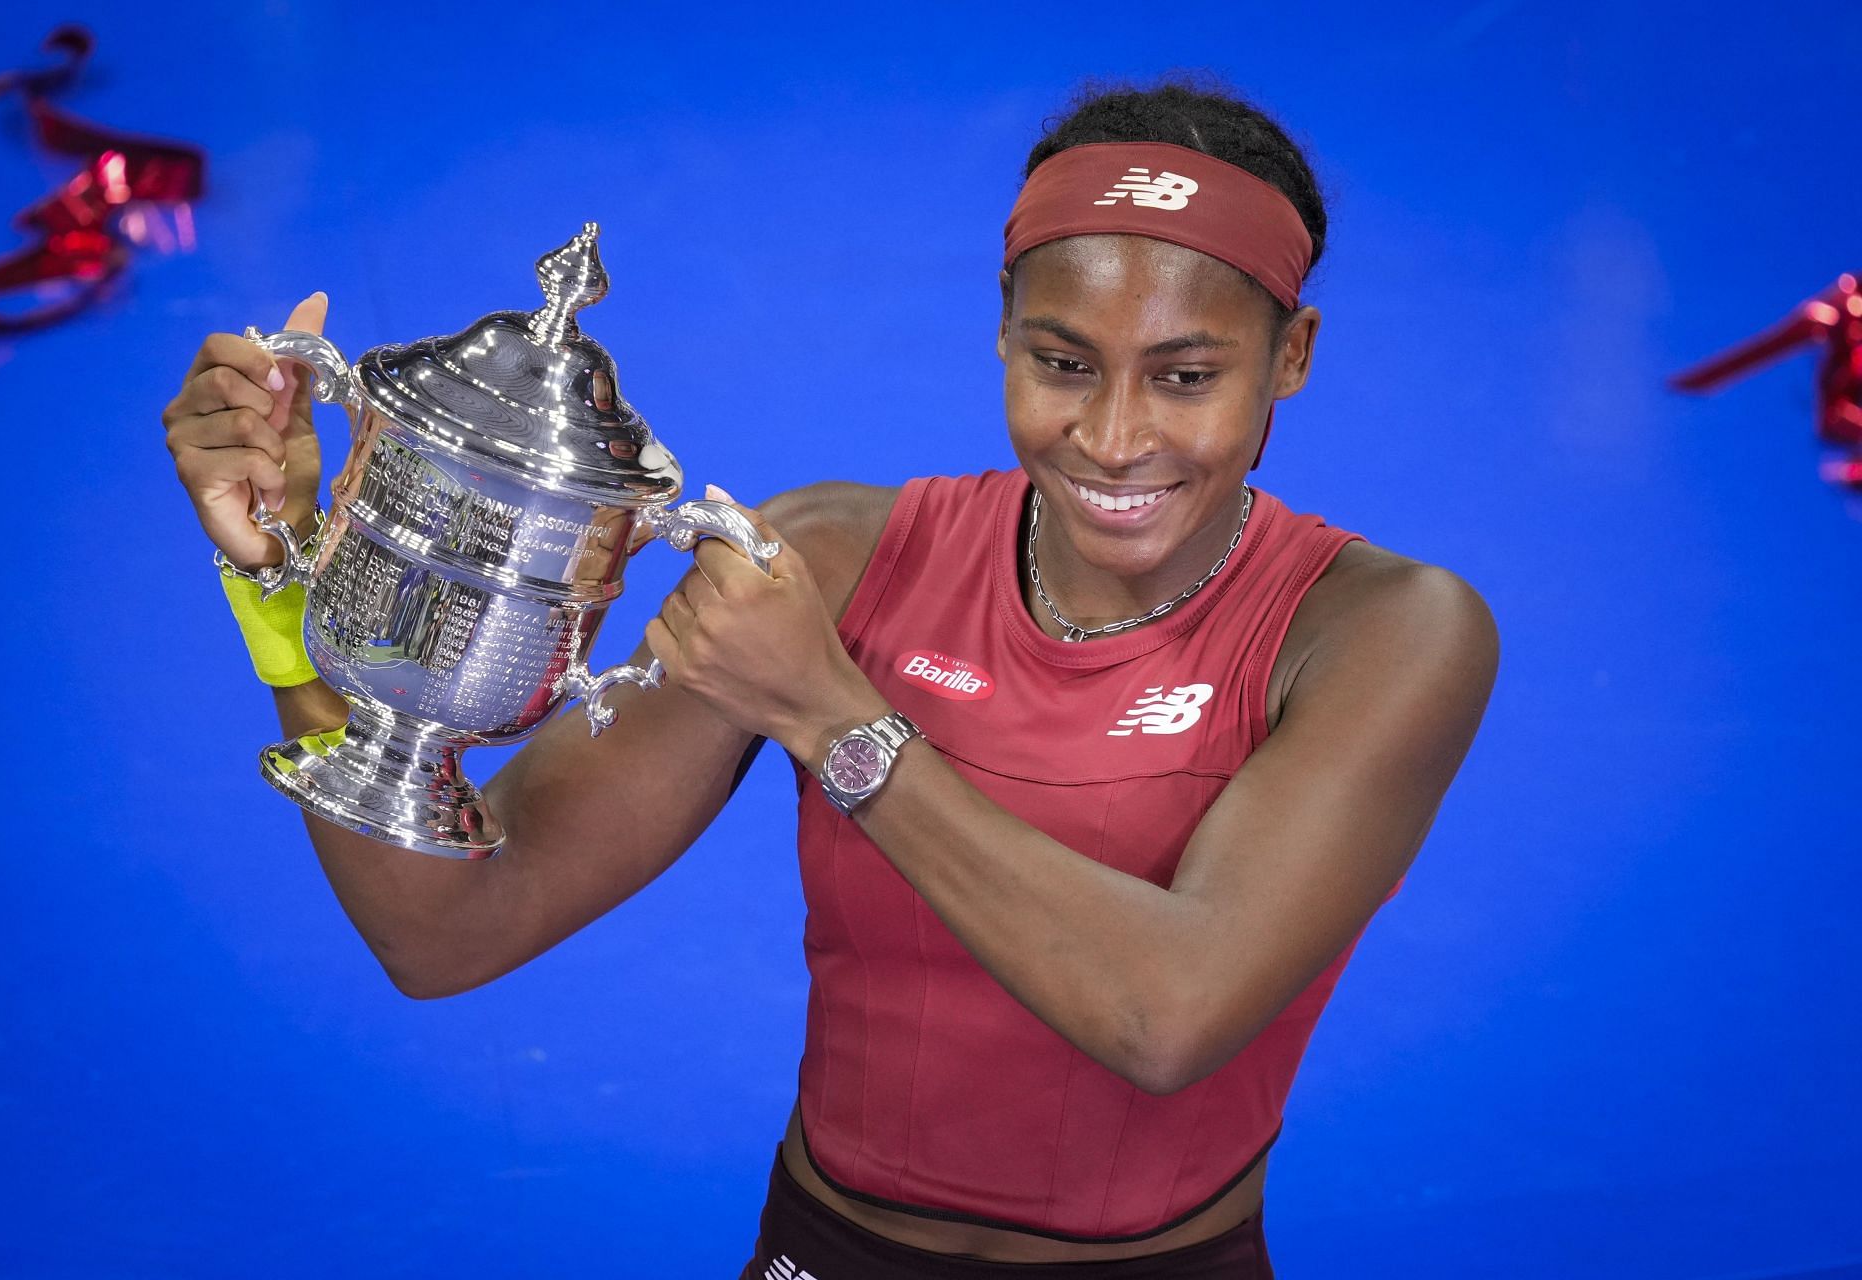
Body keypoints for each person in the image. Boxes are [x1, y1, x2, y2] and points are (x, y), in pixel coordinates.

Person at [163, 76, 1498, 1279]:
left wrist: (834, 715)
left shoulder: (1387, 630)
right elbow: (445, 929)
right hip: (825, 1253)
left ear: (1294, 360)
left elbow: (1169, 1016)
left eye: (1188, 376)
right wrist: (291, 586)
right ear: (1003, 336)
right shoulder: (832, 560)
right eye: (1062, 362)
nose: (1113, 434)